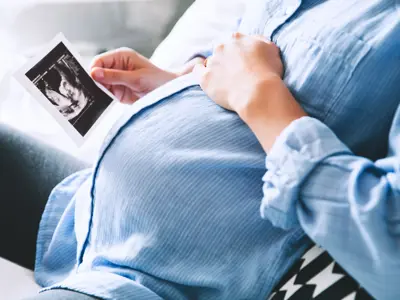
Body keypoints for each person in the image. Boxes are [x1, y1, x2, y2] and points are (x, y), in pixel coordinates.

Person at [0, 1, 398, 299]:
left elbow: (389, 237)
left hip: (157, 277)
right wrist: (177, 84)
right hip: (85, 212)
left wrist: (258, 91)